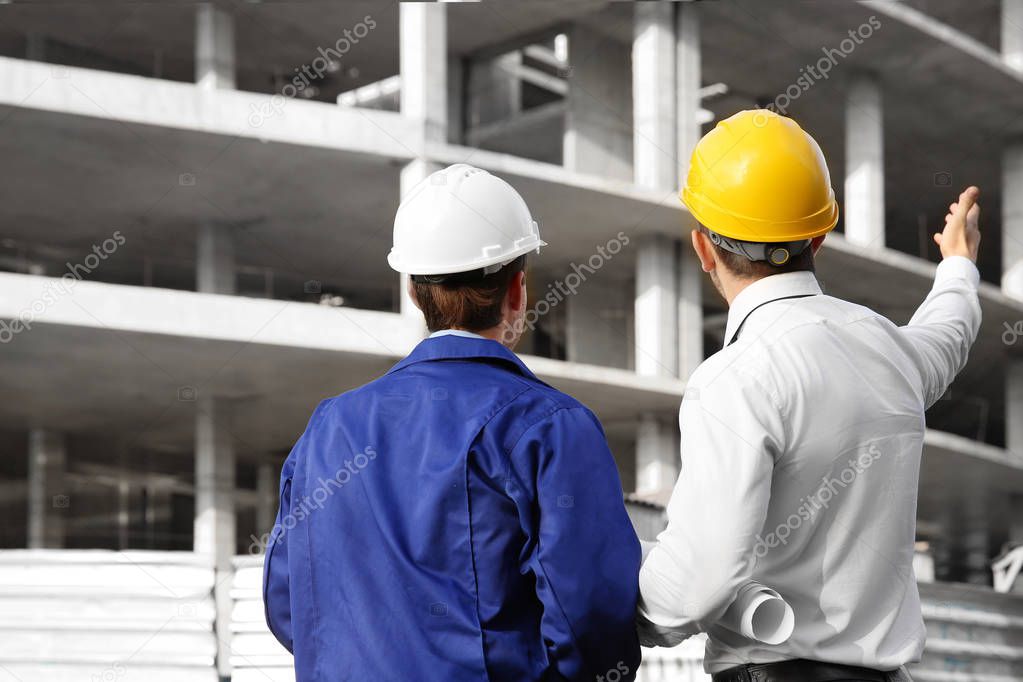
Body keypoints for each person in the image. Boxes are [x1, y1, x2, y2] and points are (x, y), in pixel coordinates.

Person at [637, 109, 981, 682]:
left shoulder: (734, 380)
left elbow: (702, 580)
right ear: (817, 237)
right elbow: (947, 336)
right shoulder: (886, 350)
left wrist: (628, 613)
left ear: (702, 248)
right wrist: (958, 267)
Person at [263, 163, 642, 681]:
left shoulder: (328, 427)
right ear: (518, 292)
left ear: (414, 293)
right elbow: (590, 618)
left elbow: (289, 602)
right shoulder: (550, 426)